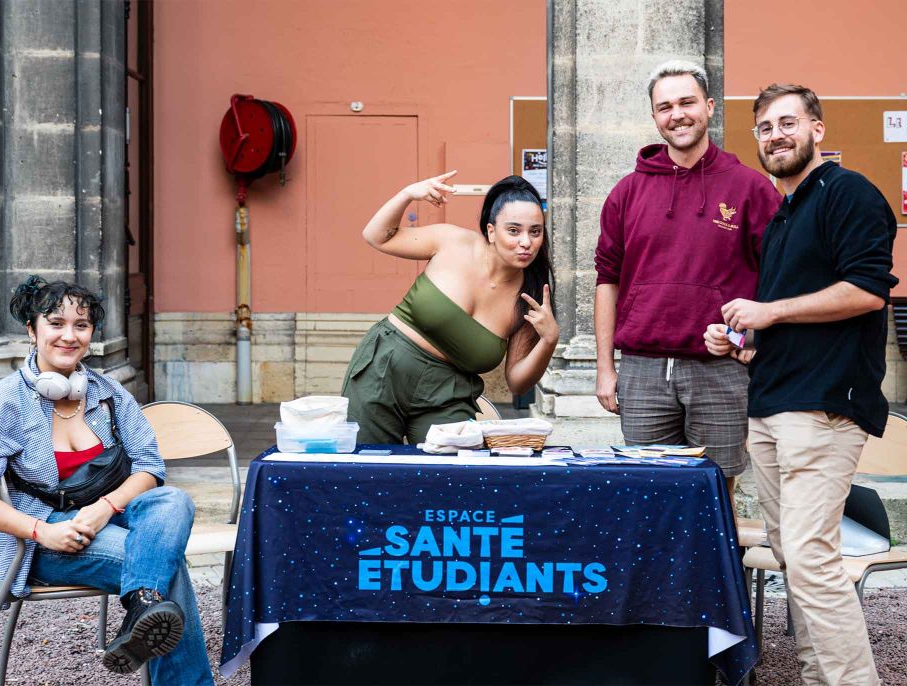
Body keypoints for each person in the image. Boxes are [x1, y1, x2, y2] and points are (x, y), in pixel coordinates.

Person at [705, 84, 896, 685]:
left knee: (811, 562)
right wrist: (745, 344)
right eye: (764, 127)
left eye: (788, 122)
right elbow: (794, 317)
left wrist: (770, 313)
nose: (775, 135)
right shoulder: (784, 215)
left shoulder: (849, 193)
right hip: (772, 405)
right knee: (795, 560)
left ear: (818, 129)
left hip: (823, 409)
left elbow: (867, 290)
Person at [0, 276, 214, 684]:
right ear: (31, 329)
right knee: (167, 566)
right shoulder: (1, 402)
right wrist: (41, 532)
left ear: (91, 333)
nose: (69, 336)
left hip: (108, 517)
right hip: (49, 537)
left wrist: (104, 507)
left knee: (173, 501)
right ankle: (148, 607)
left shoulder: (108, 392)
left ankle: (142, 608)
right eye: (56, 323)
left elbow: (149, 466)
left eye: (81, 325)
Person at [593, 59, 781, 505]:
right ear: (655, 117)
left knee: (716, 493)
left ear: (710, 107)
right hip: (642, 369)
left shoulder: (751, 189)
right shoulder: (626, 192)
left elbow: (779, 276)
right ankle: (653, 577)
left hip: (721, 369)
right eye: (665, 107)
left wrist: (753, 342)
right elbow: (607, 279)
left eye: (687, 102)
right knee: (645, 496)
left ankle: (715, 577)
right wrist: (605, 368)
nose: (677, 114)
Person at [342, 173, 558, 444]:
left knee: (453, 475)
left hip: (448, 393)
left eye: (535, 232)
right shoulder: (452, 241)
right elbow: (377, 237)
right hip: (385, 369)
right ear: (491, 231)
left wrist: (549, 340)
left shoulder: (530, 296)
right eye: (514, 230)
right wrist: (408, 194)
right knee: (368, 470)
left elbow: (517, 382)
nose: (526, 242)